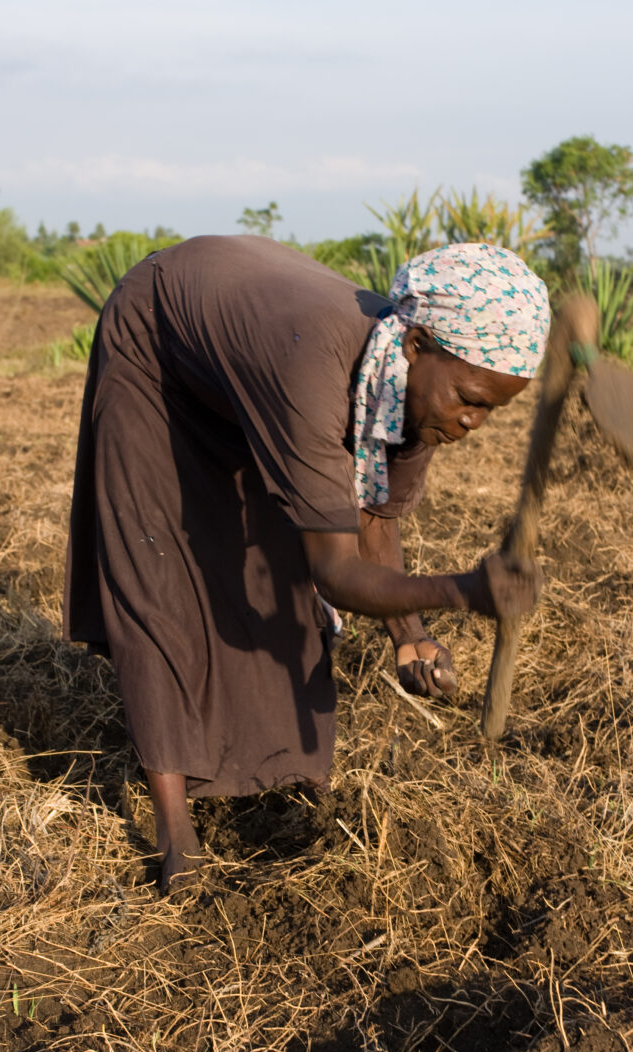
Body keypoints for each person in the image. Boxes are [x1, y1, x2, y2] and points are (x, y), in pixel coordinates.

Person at [64, 237, 550, 893]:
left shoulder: (413, 391)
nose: (475, 421)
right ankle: (175, 833)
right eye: (470, 397)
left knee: (268, 562)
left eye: (495, 409)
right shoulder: (314, 364)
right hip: (158, 345)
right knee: (163, 577)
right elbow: (337, 574)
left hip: (247, 349)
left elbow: (375, 520)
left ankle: (273, 783)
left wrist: (411, 636)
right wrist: (464, 590)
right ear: (416, 346)